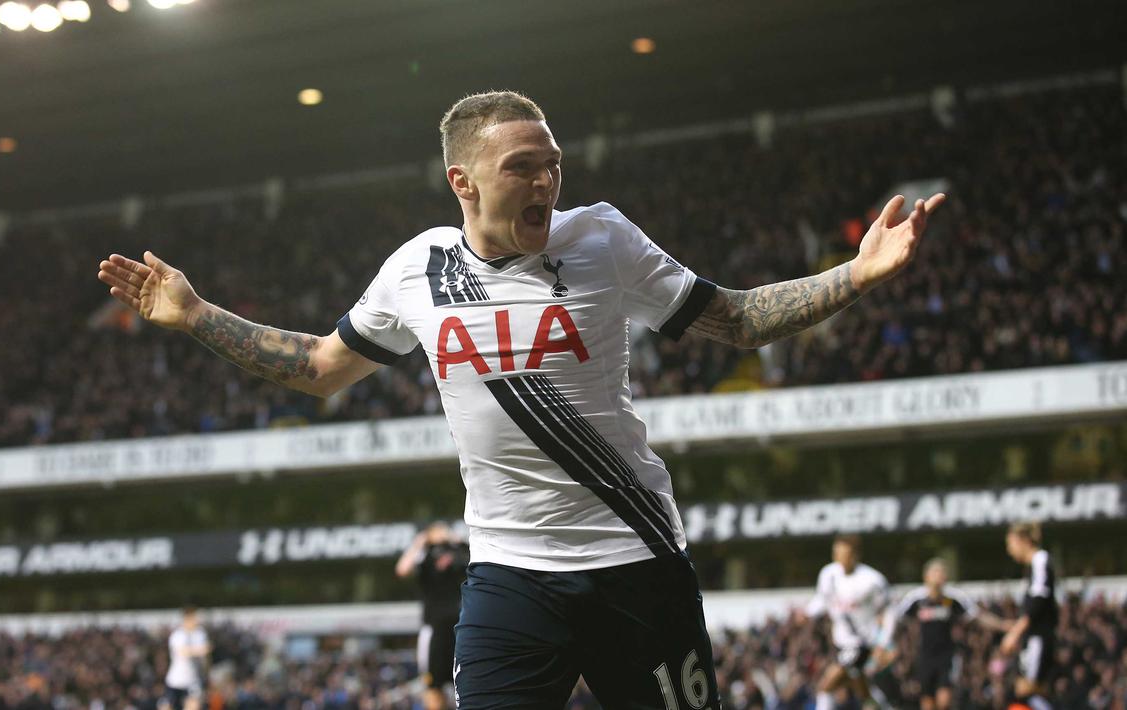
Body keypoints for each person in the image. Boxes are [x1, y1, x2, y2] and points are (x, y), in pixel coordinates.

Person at [98, 90, 944, 708]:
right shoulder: (415, 268)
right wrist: (199, 315)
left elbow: (740, 321)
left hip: (636, 562)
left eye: (553, 166)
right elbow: (320, 367)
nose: (545, 182)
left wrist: (856, 273)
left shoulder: (601, 238)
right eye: (522, 169)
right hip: (510, 577)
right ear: (462, 181)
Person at [886, 558, 1010, 710]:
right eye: (936, 572)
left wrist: (1003, 625)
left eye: (942, 573)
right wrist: (888, 646)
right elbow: (894, 619)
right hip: (924, 656)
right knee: (928, 704)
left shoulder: (953, 598)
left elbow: (977, 616)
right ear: (926, 576)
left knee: (944, 702)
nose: (939, 576)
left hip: (947, 656)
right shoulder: (916, 599)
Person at [805, 535, 892, 710]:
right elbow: (822, 600)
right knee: (863, 692)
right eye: (836, 553)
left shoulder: (872, 580)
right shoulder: (828, 574)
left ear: (855, 555)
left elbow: (889, 611)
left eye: (844, 553)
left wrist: (883, 642)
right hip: (840, 643)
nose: (839, 558)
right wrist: (806, 613)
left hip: (861, 644)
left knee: (826, 686)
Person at [395, 521, 470, 710]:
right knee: (432, 683)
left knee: (465, 680)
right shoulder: (424, 555)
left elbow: (477, 558)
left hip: (459, 627)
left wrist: (454, 539)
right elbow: (402, 569)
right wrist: (420, 542)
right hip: (434, 627)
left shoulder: (457, 552)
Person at [1000, 522, 1059, 710]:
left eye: (1011, 544)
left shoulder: (1040, 559)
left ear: (1023, 541)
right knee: (1032, 692)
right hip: (1035, 637)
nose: (1009, 550)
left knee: (1024, 692)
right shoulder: (1033, 566)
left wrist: (1015, 632)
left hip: (1037, 638)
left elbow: (1038, 600)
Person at [162, 606, 210, 710]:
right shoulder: (177, 635)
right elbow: (182, 651)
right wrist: (199, 650)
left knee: (193, 705)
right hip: (176, 679)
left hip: (193, 679)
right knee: (166, 706)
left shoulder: (200, 634)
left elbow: (205, 654)